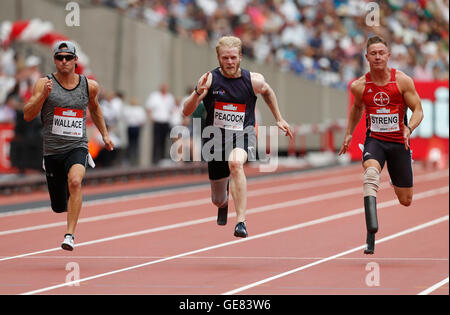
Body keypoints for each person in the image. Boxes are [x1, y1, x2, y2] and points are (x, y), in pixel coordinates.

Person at [183, 36, 293, 238]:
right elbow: (186, 111)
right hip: (215, 138)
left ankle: (241, 221)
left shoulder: (252, 80)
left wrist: (279, 118)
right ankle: (224, 201)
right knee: (217, 200)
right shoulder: (209, 80)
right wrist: (197, 92)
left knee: (235, 163)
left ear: (241, 56)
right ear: (218, 58)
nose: (230, 62)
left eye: (233, 57)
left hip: (243, 134)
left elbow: (267, 91)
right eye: (225, 58)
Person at [23, 41, 114, 251]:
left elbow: (96, 110)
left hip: (77, 146)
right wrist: (43, 96)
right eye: (59, 58)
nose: (63, 61)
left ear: (75, 60)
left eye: (68, 57)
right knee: (58, 206)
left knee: (75, 181)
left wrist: (105, 135)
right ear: (54, 60)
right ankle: (64, 207)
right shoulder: (44, 84)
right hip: (53, 151)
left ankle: (69, 235)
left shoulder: (88, 86)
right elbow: (28, 114)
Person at [339, 36, 424, 255]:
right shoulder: (360, 86)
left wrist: (409, 128)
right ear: (366, 57)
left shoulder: (402, 81)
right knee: (370, 176)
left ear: (388, 55)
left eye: (381, 53)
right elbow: (357, 108)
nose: (377, 57)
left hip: (398, 143)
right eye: (373, 53)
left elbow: (418, 110)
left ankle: (395, 176)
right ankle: (371, 233)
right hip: (375, 140)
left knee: (406, 200)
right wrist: (349, 133)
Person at [145, 82, 176, 165]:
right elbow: (148, 108)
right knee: (156, 141)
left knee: (164, 141)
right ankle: (154, 160)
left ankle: (162, 159)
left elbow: (172, 109)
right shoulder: (154, 96)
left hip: (166, 121)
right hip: (157, 121)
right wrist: (151, 118)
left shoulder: (170, 97)